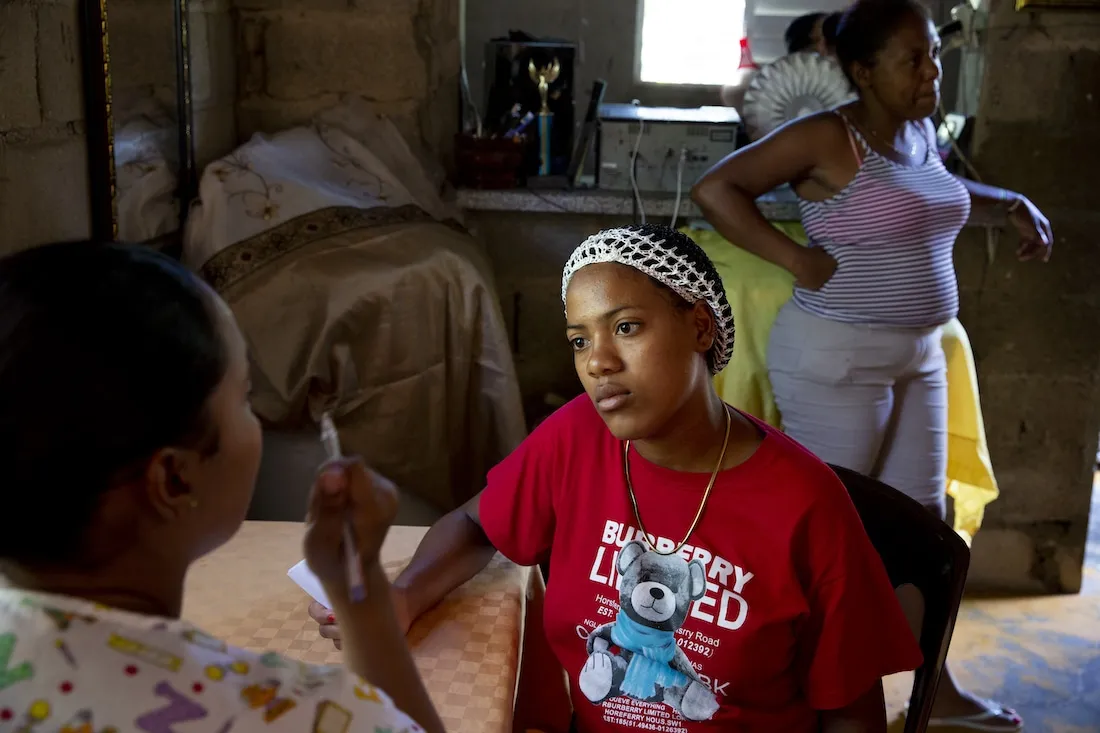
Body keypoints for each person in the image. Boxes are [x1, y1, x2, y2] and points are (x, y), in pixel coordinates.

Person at [310, 224, 923, 733]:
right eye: (581, 340)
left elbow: (852, 712)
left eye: (626, 327)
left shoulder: (805, 504)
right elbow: (477, 522)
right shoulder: (577, 435)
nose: (597, 362)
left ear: (700, 328)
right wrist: (405, 595)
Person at [690, 0, 1051, 729]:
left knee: (923, 529)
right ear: (862, 71)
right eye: (911, 59)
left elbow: (932, 202)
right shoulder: (828, 135)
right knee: (818, 530)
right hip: (837, 360)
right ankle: (772, 686)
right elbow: (717, 189)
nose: (931, 71)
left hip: (918, 356)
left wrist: (1008, 202)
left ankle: (933, 690)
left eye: (933, 56)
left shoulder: (920, 133)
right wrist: (796, 257)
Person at [0, 241, 444, 733]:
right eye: (245, 396)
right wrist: (365, 599)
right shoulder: (292, 713)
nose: (253, 417)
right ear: (174, 479)